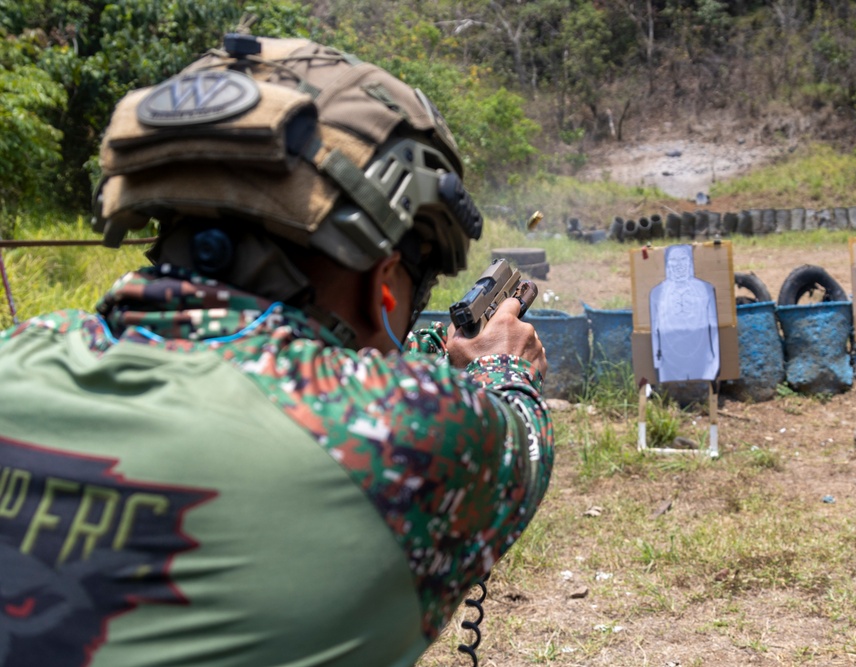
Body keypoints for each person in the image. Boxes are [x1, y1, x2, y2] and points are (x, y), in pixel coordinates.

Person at [0, 34, 553, 667]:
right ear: (383, 284)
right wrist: (502, 363)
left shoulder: (20, 352)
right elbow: (519, 434)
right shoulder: (407, 432)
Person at [650, 244, 719, 383]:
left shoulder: (705, 289)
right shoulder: (657, 293)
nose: (678, 265)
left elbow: (714, 328)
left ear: (690, 262)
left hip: (701, 356)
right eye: (673, 260)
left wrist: (715, 359)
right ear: (667, 264)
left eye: (683, 259)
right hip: (669, 358)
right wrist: (657, 362)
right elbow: (654, 330)